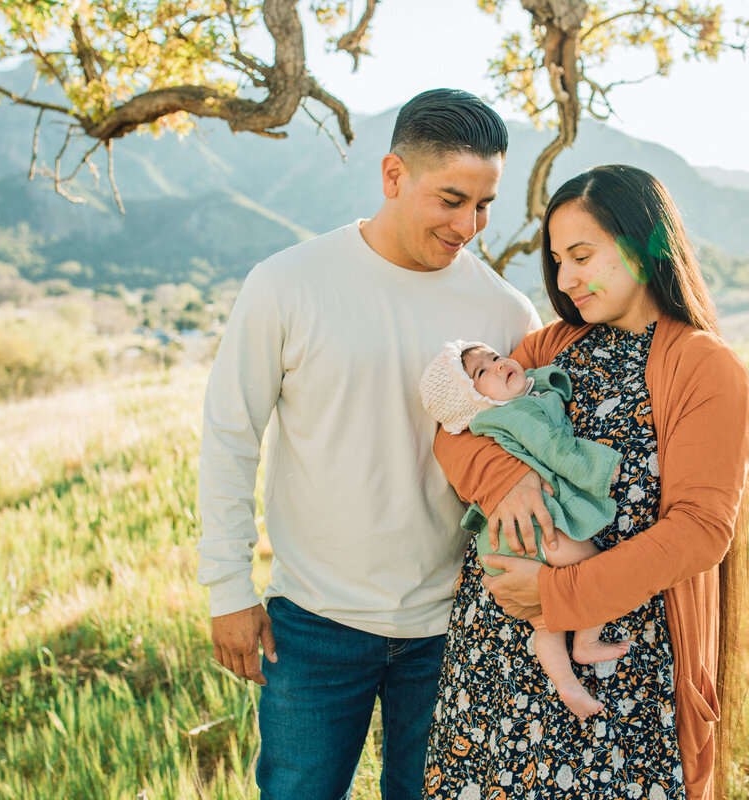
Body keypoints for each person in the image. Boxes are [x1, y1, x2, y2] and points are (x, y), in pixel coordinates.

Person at [196, 88, 541, 800]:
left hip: (454, 626)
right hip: (314, 624)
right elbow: (231, 433)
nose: (469, 224)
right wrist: (227, 589)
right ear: (393, 177)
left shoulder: (506, 313)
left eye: (484, 205)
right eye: (451, 199)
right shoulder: (288, 283)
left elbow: (524, 456)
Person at [423, 165, 749, 800]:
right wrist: (506, 485)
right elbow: (457, 422)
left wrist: (558, 594)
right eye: (558, 260)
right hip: (496, 657)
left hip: (619, 669)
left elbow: (698, 534)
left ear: (644, 243)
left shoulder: (704, 368)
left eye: (583, 255)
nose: (566, 278)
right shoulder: (552, 344)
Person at [419, 340, 632, 719]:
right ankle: (587, 639)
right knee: (597, 565)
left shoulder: (500, 410)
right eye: (482, 372)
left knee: (544, 619)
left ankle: (566, 683)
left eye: (496, 358)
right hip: (531, 533)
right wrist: (599, 470)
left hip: (502, 545)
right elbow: (555, 448)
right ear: (472, 402)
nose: (499, 366)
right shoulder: (515, 415)